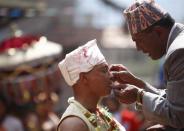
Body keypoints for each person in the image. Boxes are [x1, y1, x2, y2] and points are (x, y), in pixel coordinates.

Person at [110, 0, 184, 130]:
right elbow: (176, 101)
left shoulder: (178, 52)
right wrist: (138, 84)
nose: (138, 48)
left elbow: (178, 115)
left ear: (158, 32)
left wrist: (139, 96)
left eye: (139, 41)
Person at [57, 39, 126, 131]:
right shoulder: (74, 124)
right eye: (104, 70)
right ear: (84, 78)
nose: (111, 76)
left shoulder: (100, 113)